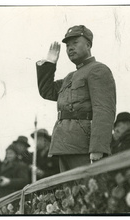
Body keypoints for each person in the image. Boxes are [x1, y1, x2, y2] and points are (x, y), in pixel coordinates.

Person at [36, 25, 116, 172]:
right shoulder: (70, 77)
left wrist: (98, 148)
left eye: (75, 43)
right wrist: (49, 63)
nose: (70, 48)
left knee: (88, 191)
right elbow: (46, 91)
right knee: (68, 193)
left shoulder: (98, 70)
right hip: (63, 145)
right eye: (67, 45)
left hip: (83, 146)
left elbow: (104, 110)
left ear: (88, 44)